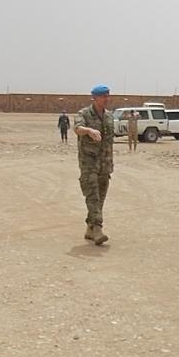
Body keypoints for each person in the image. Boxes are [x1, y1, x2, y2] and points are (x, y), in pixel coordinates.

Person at [74, 85, 116, 244]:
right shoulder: (84, 114)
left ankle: (90, 228)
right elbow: (77, 128)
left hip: (105, 164)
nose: (107, 99)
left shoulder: (109, 116)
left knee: (100, 198)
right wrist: (89, 131)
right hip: (89, 163)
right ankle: (98, 229)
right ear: (95, 98)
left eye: (108, 96)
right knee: (92, 196)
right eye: (104, 96)